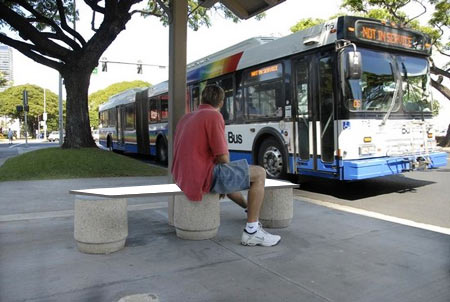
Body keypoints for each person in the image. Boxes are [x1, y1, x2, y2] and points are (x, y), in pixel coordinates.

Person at [172, 85, 281, 247]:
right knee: (259, 173)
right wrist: (225, 175)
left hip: (182, 175)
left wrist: (226, 179)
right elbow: (223, 157)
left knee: (230, 176)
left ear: (201, 99)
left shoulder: (186, 117)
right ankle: (252, 231)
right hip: (201, 176)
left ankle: (248, 209)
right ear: (222, 103)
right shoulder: (213, 116)